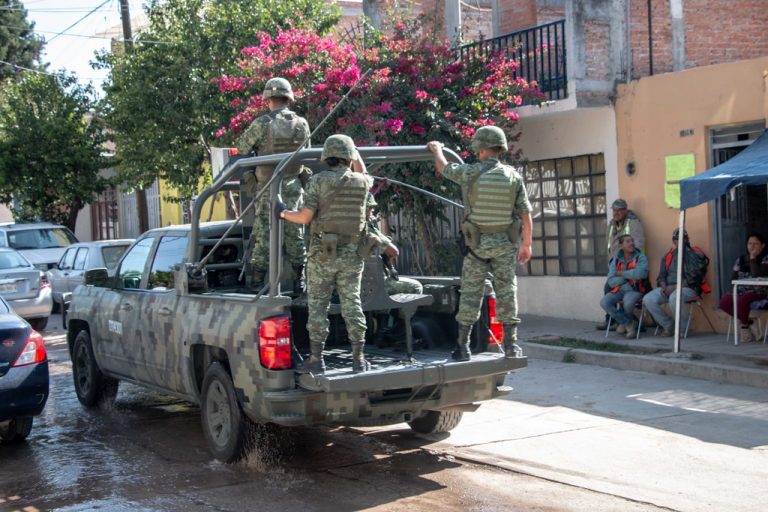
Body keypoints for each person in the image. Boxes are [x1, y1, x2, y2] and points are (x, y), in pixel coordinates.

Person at [427, 126, 533, 361]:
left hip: (477, 247)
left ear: (482, 148)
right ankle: (511, 346)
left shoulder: (471, 172)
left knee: (470, 295)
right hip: (506, 245)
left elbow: (443, 168)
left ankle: (462, 347)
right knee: (507, 293)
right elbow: (525, 213)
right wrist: (527, 244)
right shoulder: (513, 176)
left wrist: (436, 150)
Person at [277, 134, 373, 374]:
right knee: (353, 304)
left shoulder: (318, 181)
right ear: (349, 157)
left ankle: (316, 359)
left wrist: (283, 213)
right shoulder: (362, 182)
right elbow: (362, 171)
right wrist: (355, 152)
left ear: (326, 156)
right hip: (352, 255)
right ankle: (359, 359)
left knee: (318, 307)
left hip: (323, 255)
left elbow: (305, 217)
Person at [235, 77, 310, 293]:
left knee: (263, 231)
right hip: (294, 185)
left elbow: (241, 147)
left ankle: (257, 281)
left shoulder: (262, 123)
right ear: (288, 97)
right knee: (295, 232)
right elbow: (306, 152)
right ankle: (300, 280)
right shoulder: (302, 123)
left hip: (268, 186)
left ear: (268, 99)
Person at [642, 228, 710, 336]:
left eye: (685, 238)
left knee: (674, 297)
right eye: (679, 239)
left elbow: (694, 279)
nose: (683, 241)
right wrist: (664, 287)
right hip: (668, 288)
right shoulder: (668, 256)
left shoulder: (695, 254)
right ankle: (669, 325)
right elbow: (661, 276)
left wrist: (674, 288)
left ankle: (681, 330)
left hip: (689, 289)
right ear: (674, 241)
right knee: (648, 299)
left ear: (688, 239)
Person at [597, 198, 645, 330]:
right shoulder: (612, 224)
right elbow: (609, 243)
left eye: (619, 210)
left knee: (611, 289)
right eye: (614, 210)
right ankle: (617, 321)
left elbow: (639, 243)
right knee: (609, 290)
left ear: (625, 210)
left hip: (629, 264)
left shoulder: (633, 222)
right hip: (615, 263)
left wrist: (631, 261)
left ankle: (618, 321)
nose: (616, 213)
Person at [718, 232, 768, 342]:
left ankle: (744, 328)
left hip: (760, 293)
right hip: (742, 292)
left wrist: (753, 258)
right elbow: (732, 279)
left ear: (763, 245)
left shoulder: (766, 258)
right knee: (724, 301)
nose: (752, 246)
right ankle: (748, 321)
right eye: (750, 243)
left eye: (756, 243)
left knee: (742, 299)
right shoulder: (740, 259)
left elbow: (756, 275)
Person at [599, 235, 649, 338]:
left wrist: (621, 273)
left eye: (632, 241)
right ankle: (628, 323)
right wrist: (629, 277)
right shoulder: (616, 259)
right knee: (604, 302)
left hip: (635, 290)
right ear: (621, 246)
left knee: (628, 303)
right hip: (619, 290)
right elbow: (611, 281)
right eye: (628, 241)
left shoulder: (641, 257)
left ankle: (625, 324)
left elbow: (641, 274)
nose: (632, 243)